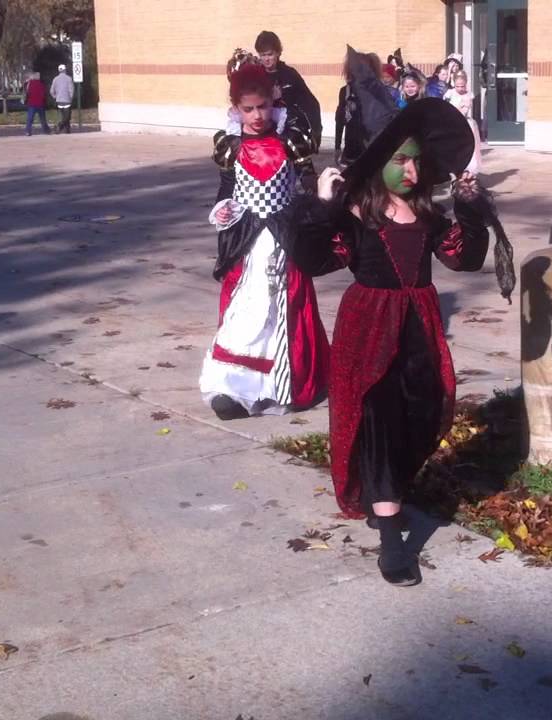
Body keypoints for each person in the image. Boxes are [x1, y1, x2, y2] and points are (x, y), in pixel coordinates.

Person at [293, 97, 513, 586]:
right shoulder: (357, 217)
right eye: (399, 160)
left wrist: (471, 210)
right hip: (368, 330)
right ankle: (392, 538)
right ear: (379, 165)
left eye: (415, 160)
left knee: (420, 413)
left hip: (419, 328)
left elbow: (465, 259)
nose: (410, 169)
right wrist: (322, 206)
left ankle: (384, 491)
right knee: (378, 420)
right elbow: (311, 259)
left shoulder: (429, 219)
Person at [200, 53, 329, 421]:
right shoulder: (231, 146)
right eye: (249, 109)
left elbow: (306, 183)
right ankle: (232, 387)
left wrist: (317, 199)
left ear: (274, 101)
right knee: (247, 310)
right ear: (236, 108)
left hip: (285, 240)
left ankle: (286, 385)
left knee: (285, 309)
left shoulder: (292, 142)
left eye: (263, 107)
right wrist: (223, 210)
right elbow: (226, 190)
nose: (257, 116)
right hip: (248, 244)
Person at [256, 31, 322, 192]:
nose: (266, 59)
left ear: (278, 52)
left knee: (307, 176)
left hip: (293, 132)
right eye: (262, 55)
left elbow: (310, 103)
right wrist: (270, 98)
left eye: (270, 54)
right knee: (272, 183)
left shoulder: (289, 74)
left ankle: (316, 202)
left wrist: (315, 133)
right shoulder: (255, 75)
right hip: (266, 134)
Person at [446, 71, 482, 173]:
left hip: (464, 122)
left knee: (467, 147)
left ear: (466, 84)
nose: (460, 88)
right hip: (452, 122)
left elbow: (464, 110)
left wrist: (457, 109)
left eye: (462, 86)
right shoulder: (450, 93)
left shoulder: (468, 95)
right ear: (454, 84)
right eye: (458, 86)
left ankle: (468, 169)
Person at [50, 64, 76, 134]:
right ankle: (60, 126)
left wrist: (55, 97)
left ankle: (67, 130)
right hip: (67, 100)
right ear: (65, 70)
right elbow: (71, 90)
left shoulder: (55, 79)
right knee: (67, 117)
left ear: (59, 70)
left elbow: (51, 91)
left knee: (64, 116)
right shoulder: (69, 78)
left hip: (59, 101)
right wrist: (71, 98)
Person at [23, 71, 49, 136]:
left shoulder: (29, 84)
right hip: (40, 104)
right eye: (38, 76)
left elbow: (26, 92)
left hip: (31, 103)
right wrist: (45, 101)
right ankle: (46, 130)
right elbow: (44, 94)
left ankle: (28, 131)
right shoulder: (41, 84)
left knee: (30, 118)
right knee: (43, 119)